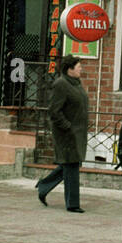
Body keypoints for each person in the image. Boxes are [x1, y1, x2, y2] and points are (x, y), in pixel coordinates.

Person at [37, 55, 89, 212]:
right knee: (71, 165)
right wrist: (67, 126)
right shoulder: (61, 84)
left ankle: (44, 186)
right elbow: (54, 111)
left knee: (70, 164)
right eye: (78, 66)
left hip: (78, 132)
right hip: (67, 133)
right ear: (70, 69)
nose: (81, 69)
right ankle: (73, 204)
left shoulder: (76, 83)